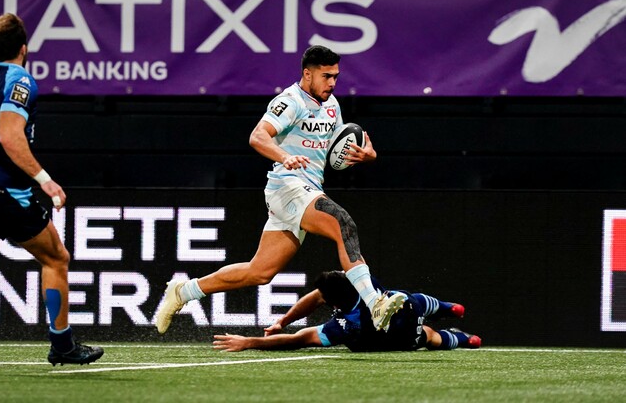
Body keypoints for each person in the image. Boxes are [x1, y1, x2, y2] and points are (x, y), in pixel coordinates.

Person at [156, 45, 407, 334]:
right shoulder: (290, 101)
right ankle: (375, 304)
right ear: (307, 74)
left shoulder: (332, 105)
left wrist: (363, 156)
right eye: (326, 76)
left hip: (307, 189)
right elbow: (258, 136)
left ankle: (184, 291)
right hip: (287, 186)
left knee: (260, 272)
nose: (332, 83)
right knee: (343, 223)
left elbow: (334, 152)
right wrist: (284, 156)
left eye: (336, 77)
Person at [0, 13, 103, 366]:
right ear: (23, 48)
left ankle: (63, 343)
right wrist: (44, 178)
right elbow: (9, 135)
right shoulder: (20, 80)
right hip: (7, 191)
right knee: (56, 258)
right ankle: (62, 344)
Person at [212, 270, 482, 352]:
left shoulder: (344, 326)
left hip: (398, 338)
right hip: (405, 307)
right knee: (415, 300)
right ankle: (449, 308)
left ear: (333, 304)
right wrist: (283, 320)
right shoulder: (364, 281)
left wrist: (250, 342)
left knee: (429, 336)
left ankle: (464, 340)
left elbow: (299, 339)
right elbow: (317, 296)